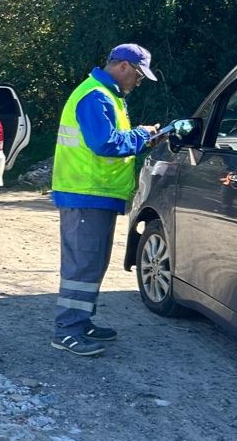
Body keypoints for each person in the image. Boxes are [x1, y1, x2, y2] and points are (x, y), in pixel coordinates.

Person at [50, 44, 160, 357]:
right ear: (123, 66)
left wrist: (144, 138)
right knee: (82, 265)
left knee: (92, 263)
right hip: (86, 193)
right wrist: (142, 135)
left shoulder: (105, 95)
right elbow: (105, 143)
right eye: (138, 74)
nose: (138, 81)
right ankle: (67, 331)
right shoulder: (97, 96)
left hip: (94, 194)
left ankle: (80, 321)